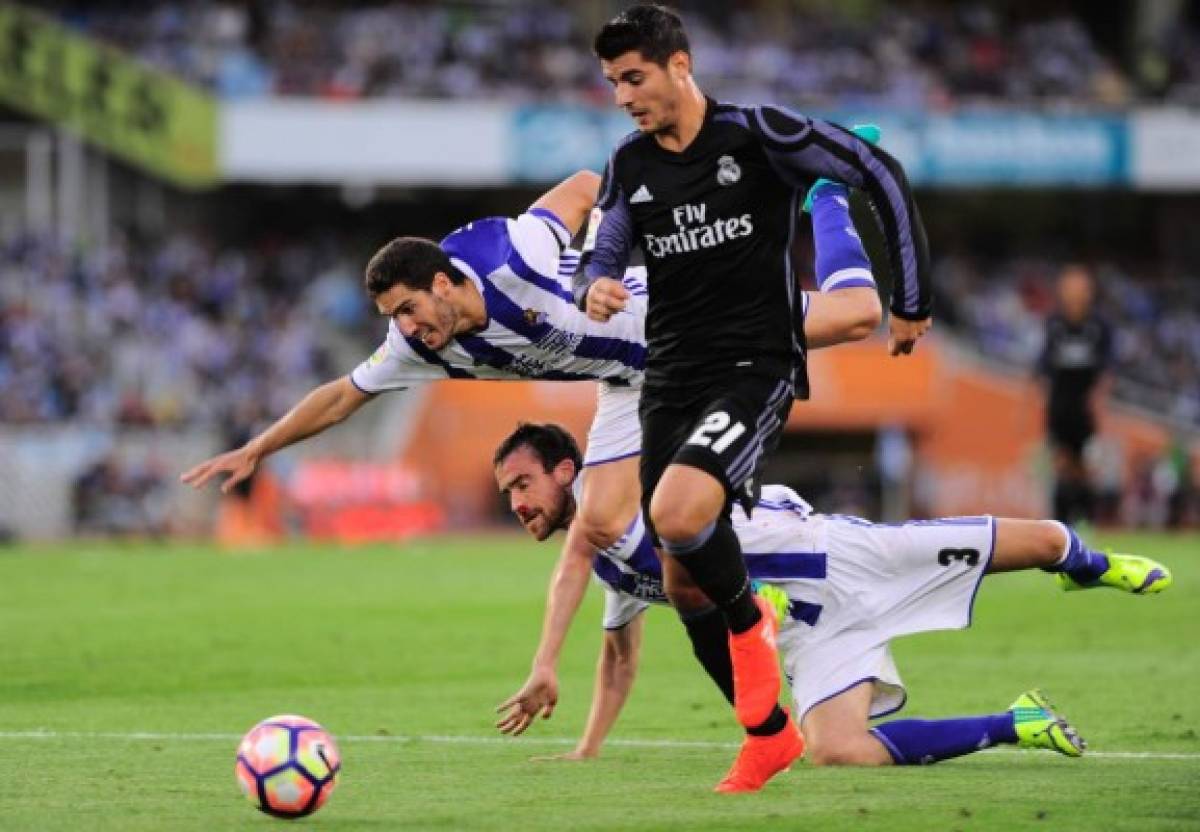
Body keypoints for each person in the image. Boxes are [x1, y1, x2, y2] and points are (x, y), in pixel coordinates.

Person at [180, 164, 879, 579]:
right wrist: (257, 449)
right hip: (630, 380)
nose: (405, 329)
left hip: (685, 317)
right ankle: (716, 609)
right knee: (603, 522)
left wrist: (618, 247)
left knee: (856, 316)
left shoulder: (514, 254)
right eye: (393, 317)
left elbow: (581, 186)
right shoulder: (422, 345)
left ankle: (826, 198)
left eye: (410, 308)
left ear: (447, 283)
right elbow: (340, 398)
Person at [575, 3, 932, 787]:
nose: (624, 95)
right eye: (612, 83)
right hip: (669, 376)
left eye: (634, 77)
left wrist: (911, 298)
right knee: (677, 575)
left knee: (676, 514)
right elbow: (602, 246)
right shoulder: (630, 164)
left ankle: (752, 620)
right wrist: (596, 281)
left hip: (753, 365)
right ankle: (767, 732)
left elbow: (880, 171)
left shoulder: (760, 134)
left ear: (680, 64)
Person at [491, 423, 1171, 788]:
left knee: (1046, 542)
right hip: (811, 634)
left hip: (843, 560)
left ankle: (1091, 566)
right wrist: (585, 750)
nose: (517, 504)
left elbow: (576, 554)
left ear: (567, 473)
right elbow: (618, 658)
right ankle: (1018, 722)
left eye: (523, 483)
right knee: (838, 750)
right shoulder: (613, 557)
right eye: (506, 493)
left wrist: (544, 660)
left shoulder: (615, 503)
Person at [1037, 264, 1113, 525]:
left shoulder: (1099, 325)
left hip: (1086, 410)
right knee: (1061, 467)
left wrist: (1099, 407)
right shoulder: (1054, 323)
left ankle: (1086, 525)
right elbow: (1043, 369)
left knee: (1087, 470)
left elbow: (1107, 371)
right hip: (1060, 407)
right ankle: (1061, 527)